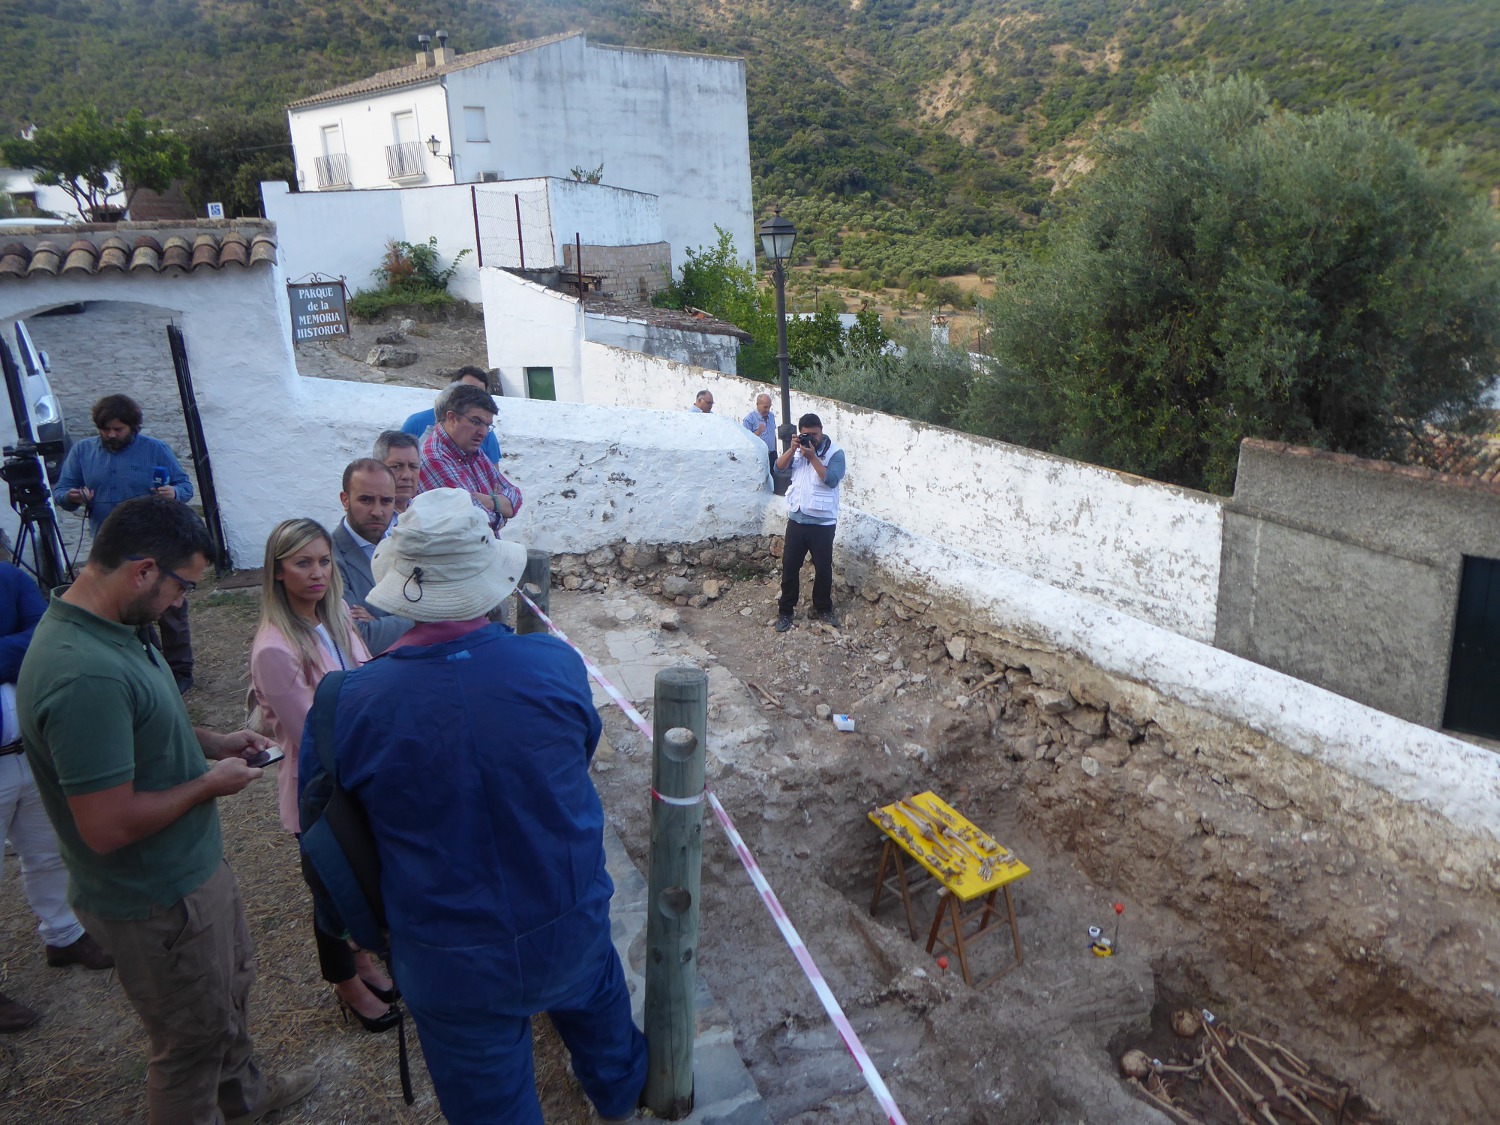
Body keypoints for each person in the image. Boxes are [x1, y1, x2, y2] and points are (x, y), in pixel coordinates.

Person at [311, 488, 646, 1124]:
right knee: (604, 1027)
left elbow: (330, 821)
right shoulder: (554, 664)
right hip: (567, 911)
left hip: (446, 949)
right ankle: (621, 1104)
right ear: (488, 579)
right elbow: (580, 753)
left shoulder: (346, 702)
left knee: (489, 1104)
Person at [16, 495, 317, 1125]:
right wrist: (209, 784)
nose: (183, 602)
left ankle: (247, 1100)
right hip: (156, 897)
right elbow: (106, 825)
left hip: (189, 872)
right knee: (190, 1045)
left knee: (225, 998)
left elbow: (142, 722)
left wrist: (209, 742)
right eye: (183, 586)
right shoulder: (84, 674)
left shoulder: (117, 628)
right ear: (144, 570)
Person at [249, 520, 396, 1034]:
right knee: (330, 891)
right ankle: (346, 984)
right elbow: (311, 732)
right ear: (278, 570)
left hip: (354, 775)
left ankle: (362, 960)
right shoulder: (276, 646)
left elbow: (367, 676)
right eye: (302, 563)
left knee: (355, 882)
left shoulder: (334, 619)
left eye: (324, 561)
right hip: (322, 789)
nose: (317, 573)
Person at [0, 562, 114, 1033]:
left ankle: (63, 934)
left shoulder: (7, 578)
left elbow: (41, 637)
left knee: (48, 850)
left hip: (27, 747)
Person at [52, 394, 197, 692]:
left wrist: (173, 493)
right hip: (112, 547)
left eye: (118, 429)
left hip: (157, 544)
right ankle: (149, 664)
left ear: (133, 426)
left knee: (169, 605)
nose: (111, 435)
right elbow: (60, 492)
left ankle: (181, 670)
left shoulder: (155, 450)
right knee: (130, 606)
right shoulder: (82, 452)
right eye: (105, 429)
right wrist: (73, 497)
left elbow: (186, 486)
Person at [418, 383, 522, 536]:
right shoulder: (435, 458)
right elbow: (478, 521)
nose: (483, 432)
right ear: (452, 418)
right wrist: (501, 513)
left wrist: (491, 501)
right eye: (475, 422)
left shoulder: (471, 451)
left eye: (488, 425)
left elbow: (515, 494)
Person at [774, 413, 846, 632]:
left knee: (823, 569)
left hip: (823, 524)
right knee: (789, 567)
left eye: (814, 434)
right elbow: (778, 469)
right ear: (801, 432)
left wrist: (813, 457)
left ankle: (823, 608)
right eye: (806, 435)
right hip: (797, 519)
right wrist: (793, 448)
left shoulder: (835, 453)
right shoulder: (797, 450)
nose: (811, 439)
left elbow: (832, 480)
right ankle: (785, 611)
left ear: (821, 431)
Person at [332, 459, 412, 655]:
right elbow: (362, 638)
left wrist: (380, 623)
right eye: (366, 500)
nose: (377, 511)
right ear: (345, 500)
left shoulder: (406, 544)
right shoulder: (329, 557)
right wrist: (425, 618)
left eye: (386, 501)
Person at [401, 367, 503, 465]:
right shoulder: (415, 423)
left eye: (480, 393)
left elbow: (495, 479)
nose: (475, 398)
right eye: (466, 391)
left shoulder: (486, 432)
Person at [374, 430, 421, 518]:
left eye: (413, 467)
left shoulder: (423, 513)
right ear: (377, 469)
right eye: (396, 467)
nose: (407, 475)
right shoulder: (372, 522)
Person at [743, 392, 777, 474]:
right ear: (757, 404)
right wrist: (758, 432)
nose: (767, 409)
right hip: (759, 456)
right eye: (765, 407)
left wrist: (775, 451)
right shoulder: (749, 419)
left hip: (772, 455)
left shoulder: (771, 416)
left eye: (769, 407)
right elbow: (746, 441)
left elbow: (773, 435)